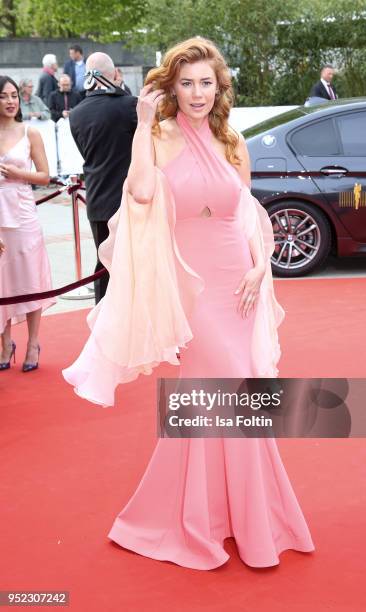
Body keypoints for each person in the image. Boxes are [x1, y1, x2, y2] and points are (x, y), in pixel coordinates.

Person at [62, 38, 315, 570]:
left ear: (218, 87)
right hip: (193, 287)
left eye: (207, 82)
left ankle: (233, 516)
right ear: (171, 87)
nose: (198, 93)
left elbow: (248, 215)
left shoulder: (232, 141)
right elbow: (140, 194)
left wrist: (260, 264)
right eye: (187, 82)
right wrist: (141, 122)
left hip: (238, 283)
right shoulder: (159, 136)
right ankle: (222, 523)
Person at [68, 52, 137, 303]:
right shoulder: (129, 105)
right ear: (115, 73)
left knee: (103, 264)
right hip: (131, 200)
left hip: (97, 199)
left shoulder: (76, 114)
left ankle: (102, 322)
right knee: (135, 264)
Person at [0, 76, 56, 372]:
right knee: (1, 280)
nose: (11, 101)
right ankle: (5, 343)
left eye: (14, 96)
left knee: (29, 278)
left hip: (22, 213)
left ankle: (33, 342)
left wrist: (17, 174)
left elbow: (45, 176)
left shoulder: (30, 132)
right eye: (4, 96)